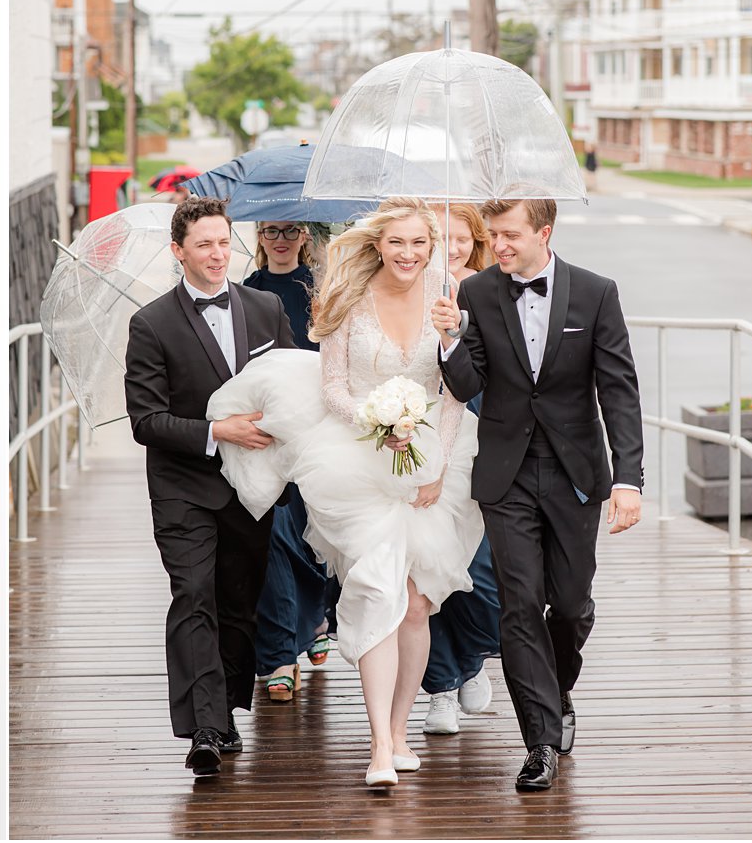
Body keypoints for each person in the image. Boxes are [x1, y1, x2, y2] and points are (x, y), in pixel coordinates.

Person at [208, 198, 483, 788]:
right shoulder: (348, 300)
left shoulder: (451, 302)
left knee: (415, 604)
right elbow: (333, 387)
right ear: (378, 245)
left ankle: (403, 729)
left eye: (419, 243)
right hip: (356, 460)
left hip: (434, 460)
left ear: (432, 247)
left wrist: (435, 463)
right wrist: (378, 424)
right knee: (377, 589)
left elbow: (458, 393)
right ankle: (379, 745)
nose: (408, 254)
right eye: (397, 242)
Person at [432, 199, 644, 793]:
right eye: (493, 234)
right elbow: (468, 385)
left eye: (509, 235)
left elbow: (619, 391)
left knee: (571, 604)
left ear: (543, 233)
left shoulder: (596, 293)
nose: (496, 245)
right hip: (506, 474)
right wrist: (450, 341)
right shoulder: (473, 296)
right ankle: (540, 743)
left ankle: (558, 687)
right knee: (519, 605)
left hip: (576, 471)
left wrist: (628, 480)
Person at [123, 195, 298, 779]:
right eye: (204, 244)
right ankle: (203, 727)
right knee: (193, 596)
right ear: (179, 251)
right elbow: (146, 421)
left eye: (224, 242)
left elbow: (292, 384)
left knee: (237, 603)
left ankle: (223, 709)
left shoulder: (267, 306)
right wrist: (216, 430)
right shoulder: (151, 324)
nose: (217, 254)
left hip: (251, 489)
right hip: (184, 487)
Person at [243, 222, 334, 703]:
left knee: (312, 531)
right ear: (259, 235)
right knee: (275, 533)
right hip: (266, 433)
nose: (280, 239)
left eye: (290, 231)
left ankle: (316, 616)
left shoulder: (322, 290)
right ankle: (279, 652)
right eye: (271, 231)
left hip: (319, 428)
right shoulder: (246, 294)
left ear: (305, 237)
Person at [421, 204, 501, 735]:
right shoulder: (410, 290)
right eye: (438, 238)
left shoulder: (494, 291)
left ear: (477, 240)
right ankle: (442, 685)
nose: (450, 248)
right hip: (424, 439)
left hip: (485, 437)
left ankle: (471, 655)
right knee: (428, 564)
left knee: (482, 572)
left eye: (459, 237)